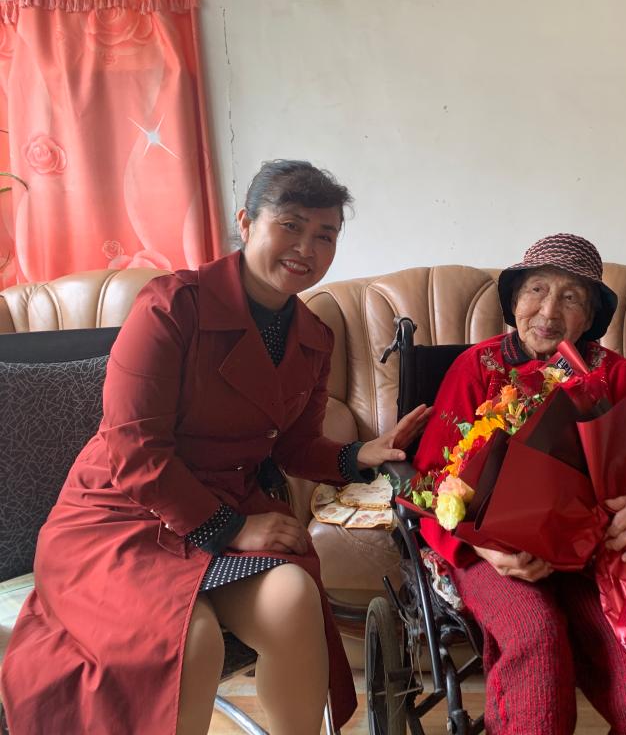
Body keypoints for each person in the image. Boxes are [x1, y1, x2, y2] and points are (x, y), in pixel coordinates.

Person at [0, 160, 430, 735]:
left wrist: (356, 457)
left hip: (228, 506)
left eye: (325, 235)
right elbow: (134, 448)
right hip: (122, 516)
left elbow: (294, 446)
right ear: (246, 222)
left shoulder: (313, 336)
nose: (307, 248)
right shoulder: (171, 306)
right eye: (291, 225)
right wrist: (231, 528)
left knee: (293, 599)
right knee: (191, 643)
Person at [414, 233, 626, 735]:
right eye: (536, 290)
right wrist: (485, 548)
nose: (549, 311)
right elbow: (430, 480)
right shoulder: (476, 368)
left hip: (588, 557)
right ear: (515, 301)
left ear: (589, 316)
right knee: (537, 635)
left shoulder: (610, 374)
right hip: (491, 555)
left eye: (571, 297)